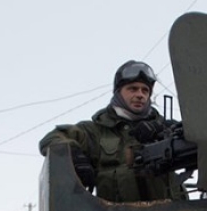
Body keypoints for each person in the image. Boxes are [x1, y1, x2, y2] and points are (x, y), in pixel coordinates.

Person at [38, 60, 188, 203]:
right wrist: (73, 153)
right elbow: (52, 138)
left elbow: (202, 141)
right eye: (133, 89)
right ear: (118, 93)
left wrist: (166, 131)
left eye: (145, 90)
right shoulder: (95, 130)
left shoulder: (166, 128)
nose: (140, 95)